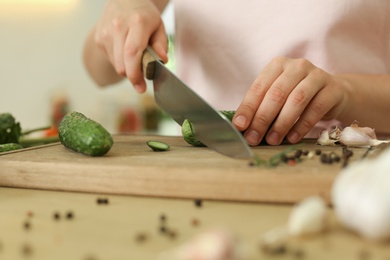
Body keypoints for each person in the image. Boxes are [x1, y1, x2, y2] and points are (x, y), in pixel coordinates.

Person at [83, 0, 390, 146]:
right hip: (204, 167)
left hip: (355, 175)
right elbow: (97, 69)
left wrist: (345, 92)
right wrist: (121, 13)